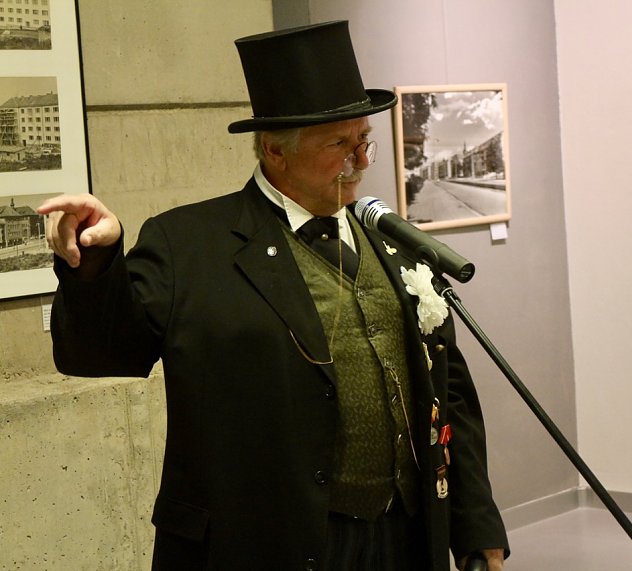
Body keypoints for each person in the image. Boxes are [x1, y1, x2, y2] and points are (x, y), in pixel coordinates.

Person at [38, 21, 508, 571]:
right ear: (274, 152)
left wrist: (475, 524)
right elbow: (99, 351)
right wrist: (93, 264)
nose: (361, 160)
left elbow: (447, 395)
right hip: (267, 545)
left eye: (363, 140)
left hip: (402, 537)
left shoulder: (394, 244)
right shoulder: (188, 244)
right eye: (339, 144)